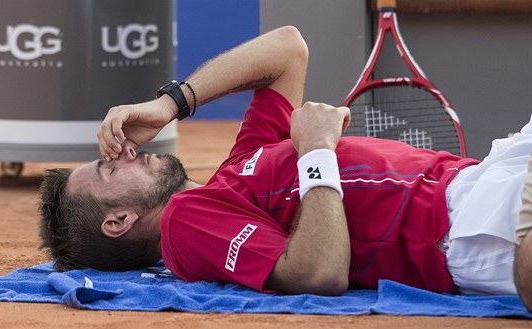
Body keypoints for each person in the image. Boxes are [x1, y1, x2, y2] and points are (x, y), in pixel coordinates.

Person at [38, 26, 531, 310]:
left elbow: (287, 49)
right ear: (118, 221)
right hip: (467, 225)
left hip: (482, 175)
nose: (122, 150)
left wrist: (169, 104)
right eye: (108, 170)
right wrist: (316, 151)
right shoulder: (185, 222)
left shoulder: (233, 174)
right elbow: (318, 274)